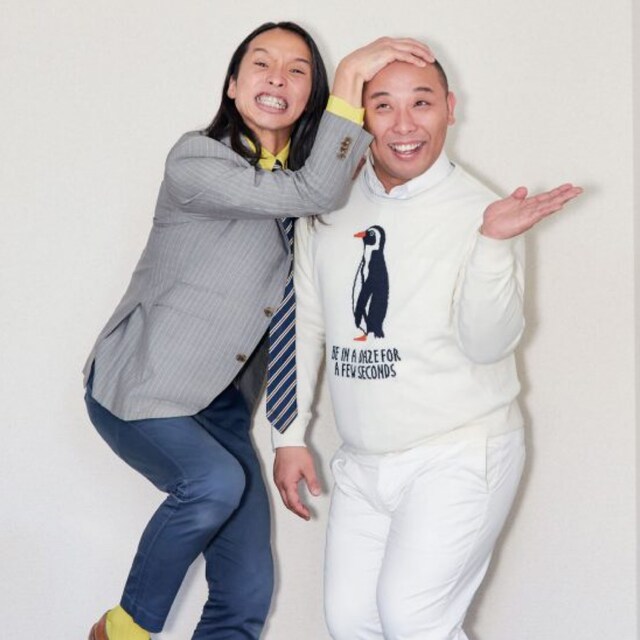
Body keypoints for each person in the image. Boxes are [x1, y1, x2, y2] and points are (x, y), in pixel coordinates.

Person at [83, 21, 434, 640]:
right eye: (262, 64)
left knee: (246, 591)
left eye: (298, 71)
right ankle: (121, 630)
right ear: (232, 84)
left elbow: (326, 227)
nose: (278, 78)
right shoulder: (196, 159)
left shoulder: (311, 187)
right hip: (143, 388)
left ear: (308, 96)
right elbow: (310, 190)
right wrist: (352, 75)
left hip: (222, 408)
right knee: (211, 484)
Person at [273, 57, 582, 639]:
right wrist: (287, 436)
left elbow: (489, 345)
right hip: (363, 462)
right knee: (351, 622)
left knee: (414, 618)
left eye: (421, 102)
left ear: (449, 109)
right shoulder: (329, 207)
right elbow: (306, 322)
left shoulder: (484, 213)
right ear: (361, 116)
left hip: (459, 452)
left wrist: (493, 245)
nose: (403, 124)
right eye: (382, 105)